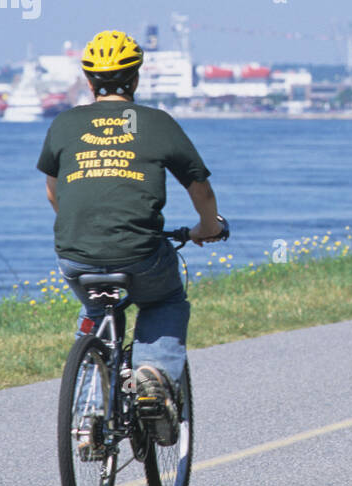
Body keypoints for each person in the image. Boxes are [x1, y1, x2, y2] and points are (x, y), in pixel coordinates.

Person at [38, 30, 227, 445]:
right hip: (140, 255)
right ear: (136, 78)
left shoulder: (64, 124)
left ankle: (88, 412)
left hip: (75, 256)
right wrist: (208, 228)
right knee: (164, 299)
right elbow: (201, 190)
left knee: (94, 310)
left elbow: (54, 192)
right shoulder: (157, 123)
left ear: (89, 81)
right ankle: (153, 374)